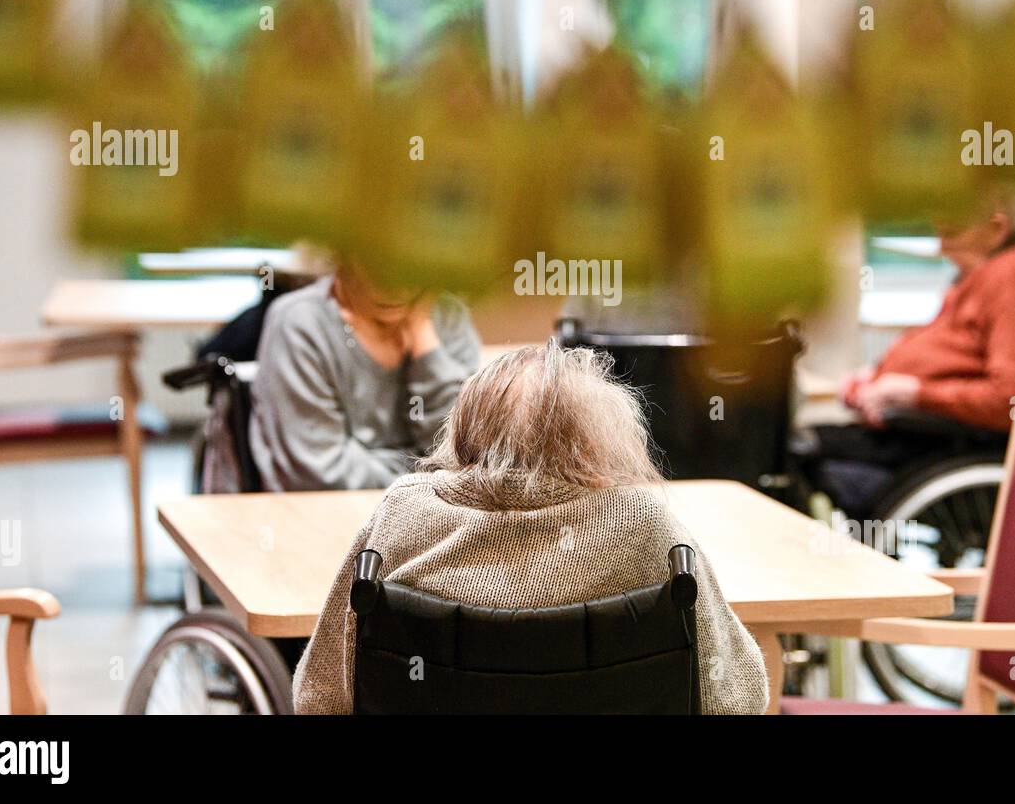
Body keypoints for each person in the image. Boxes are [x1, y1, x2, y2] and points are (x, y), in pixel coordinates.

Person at [293, 342, 770, 714]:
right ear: (600, 444)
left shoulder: (403, 513)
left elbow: (320, 696)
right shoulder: (643, 526)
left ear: (465, 432)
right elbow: (735, 697)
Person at [799, 193, 1015, 517]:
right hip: (923, 430)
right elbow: (946, 353)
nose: (941, 247)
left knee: (791, 450)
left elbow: (1008, 398)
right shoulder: (988, 272)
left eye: (952, 233)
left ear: (996, 228)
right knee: (789, 441)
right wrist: (877, 378)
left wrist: (912, 393)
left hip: (943, 441)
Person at [249, 263, 481, 491]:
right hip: (319, 514)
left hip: (428, 516)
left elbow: (466, 453)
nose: (394, 287)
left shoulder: (449, 316)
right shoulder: (300, 321)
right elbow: (321, 472)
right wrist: (429, 476)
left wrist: (424, 340)